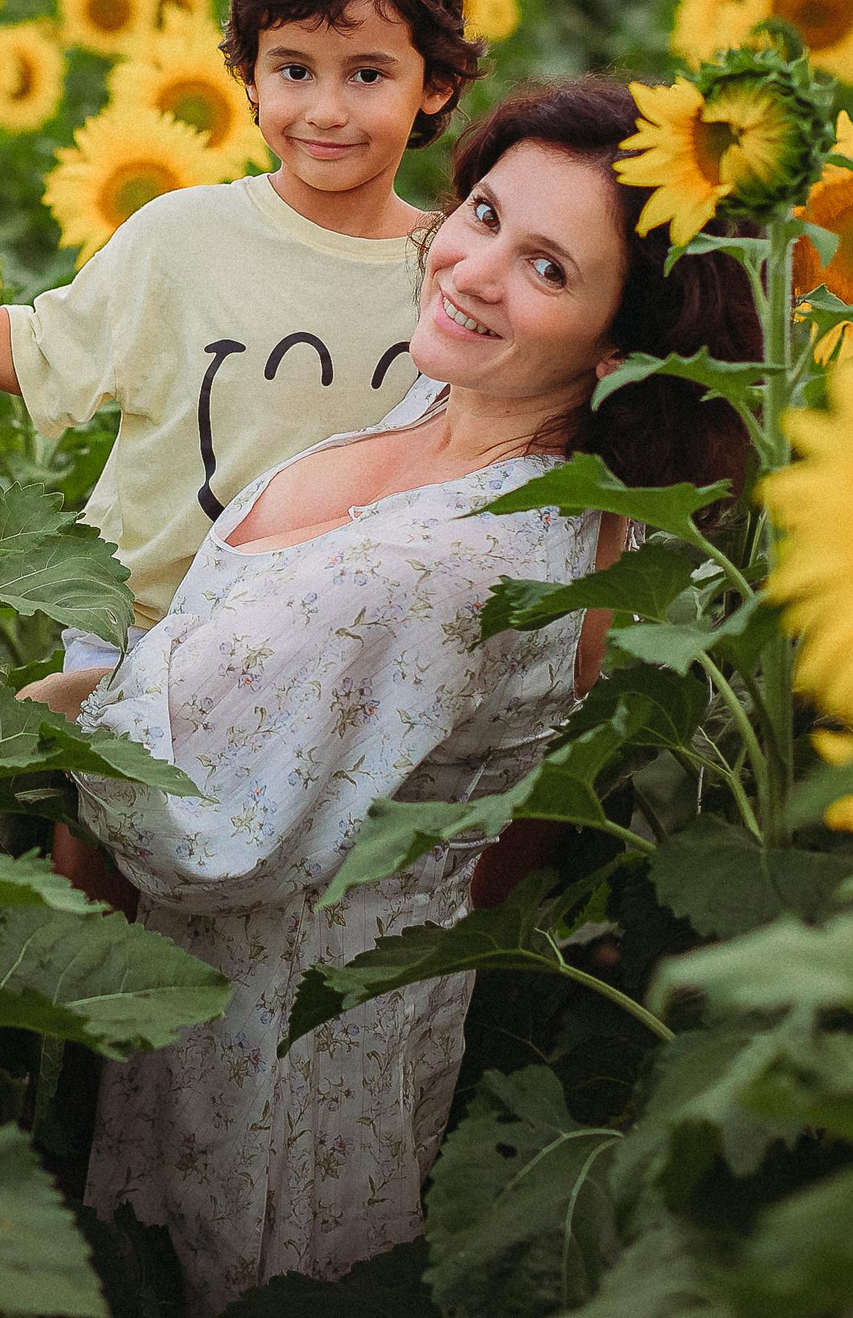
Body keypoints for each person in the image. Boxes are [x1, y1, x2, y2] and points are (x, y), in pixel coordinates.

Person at [69, 78, 760, 1315]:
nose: (473, 267)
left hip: (271, 1058)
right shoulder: (450, 411)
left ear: (619, 343)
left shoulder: (454, 566)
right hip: (229, 1010)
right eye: (485, 212)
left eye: (547, 268)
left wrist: (52, 712)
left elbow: (193, 828)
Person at [0, 0, 487, 721]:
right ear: (250, 77)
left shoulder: (455, 275)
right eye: (294, 70)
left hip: (342, 656)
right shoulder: (181, 236)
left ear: (437, 85)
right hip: (146, 626)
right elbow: (36, 350)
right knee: (96, 823)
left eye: (368, 74)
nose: (326, 109)